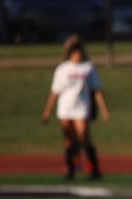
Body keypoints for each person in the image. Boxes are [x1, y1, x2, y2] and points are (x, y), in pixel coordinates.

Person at [42, 35, 110, 180]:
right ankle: (70, 170)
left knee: (83, 137)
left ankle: (93, 168)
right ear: (70, 53)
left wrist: (104, 109)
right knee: (68, 140)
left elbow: (96, 90)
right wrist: (47, 111)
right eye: (76, 51)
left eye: (80, 51)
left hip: (82, 107)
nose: (79, 54)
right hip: (65, 108)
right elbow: (55, 91)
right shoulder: (62, 69)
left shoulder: (88, 67)